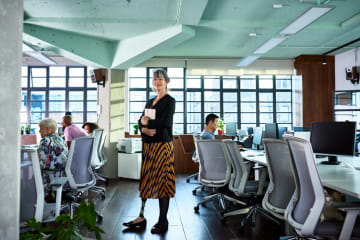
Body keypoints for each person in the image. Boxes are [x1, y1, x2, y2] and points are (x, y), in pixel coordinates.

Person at [123, 69, 175, 234]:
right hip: (148, 146)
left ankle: (163, 220)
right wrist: (143, 130)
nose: (157, 82)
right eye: (155, 80)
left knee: (163, 182)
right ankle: (141, 216)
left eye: (160, 79)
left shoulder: (169, 101)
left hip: (162, 146)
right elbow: (140, 120)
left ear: (166, 81)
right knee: (146, 181)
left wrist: (147, 124)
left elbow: (165, 123)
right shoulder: (150, 101)